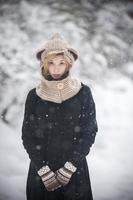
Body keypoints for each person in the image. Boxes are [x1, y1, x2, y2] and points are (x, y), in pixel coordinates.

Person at [21, 32, 98, 200]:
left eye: (61, 63)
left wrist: (69, 168)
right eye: (51, 63)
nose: (56, 68)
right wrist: (44, 171)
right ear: (44, 64)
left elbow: (89, 132)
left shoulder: (83, 92)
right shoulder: (34, 96)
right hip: (40, 175)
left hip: (75, 174)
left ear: (69, 64)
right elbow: (27, 136)